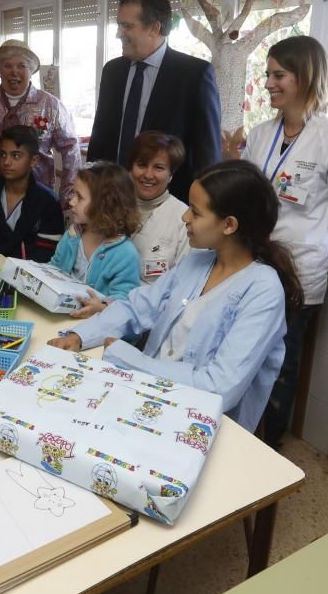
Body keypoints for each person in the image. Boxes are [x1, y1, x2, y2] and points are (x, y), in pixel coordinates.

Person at [49, 161, 301, 431]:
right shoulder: (196, 262)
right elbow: (136, 307)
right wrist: (79, 336)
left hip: (198, 424)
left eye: (195, 212)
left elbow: (219, 387)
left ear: (229, 225)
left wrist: (131, 361)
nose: (184, 218)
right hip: (149, 398)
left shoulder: (263, 291)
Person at [239, 36, 328, 448]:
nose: (270, 84)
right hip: (252, 261)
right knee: (242, 351)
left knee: (282, 362)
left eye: (279, 75)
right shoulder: (260, 135)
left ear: (306, 77)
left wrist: (315, 248)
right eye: (268, 75)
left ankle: (266, 445)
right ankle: (235, 433)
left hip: (298, 270)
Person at [86, 0, 222, 202]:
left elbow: (207, 152)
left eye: (126, 26)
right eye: (119, 25)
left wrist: (202, 206)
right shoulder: (112, 71)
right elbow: (101, 135)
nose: (118, 33)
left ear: (154, 28)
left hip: (169, 203)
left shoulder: (193, 74)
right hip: (112, 197)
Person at [0, 40, 81, 203]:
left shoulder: (50, 105)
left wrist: (69, 191)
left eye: (21, 66)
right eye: (8, 66)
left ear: (31, 71)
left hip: (39, 198)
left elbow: (70, 147)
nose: (14, 72)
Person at [0, 125, 65, 261]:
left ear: (34, 160)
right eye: (3, 154)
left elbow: (50, 254)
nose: (7, 162)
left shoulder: (49, 202)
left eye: (16, 155)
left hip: (31, 277)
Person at [48, 161, 141, 314]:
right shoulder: (72, 236)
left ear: (105, 205)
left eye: (79, 197)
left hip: (96, 329)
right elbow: (53, 269)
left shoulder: (126, 254)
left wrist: (102, 308)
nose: (71, 202)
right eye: (73, 194)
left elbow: (125, 304)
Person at [128, 131, 191, 284]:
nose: (148, 175)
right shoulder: (111, 205)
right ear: (130, 168)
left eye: (159, 168)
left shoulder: (183, 218)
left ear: (171, 174)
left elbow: (183, 283)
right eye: (142, 165)